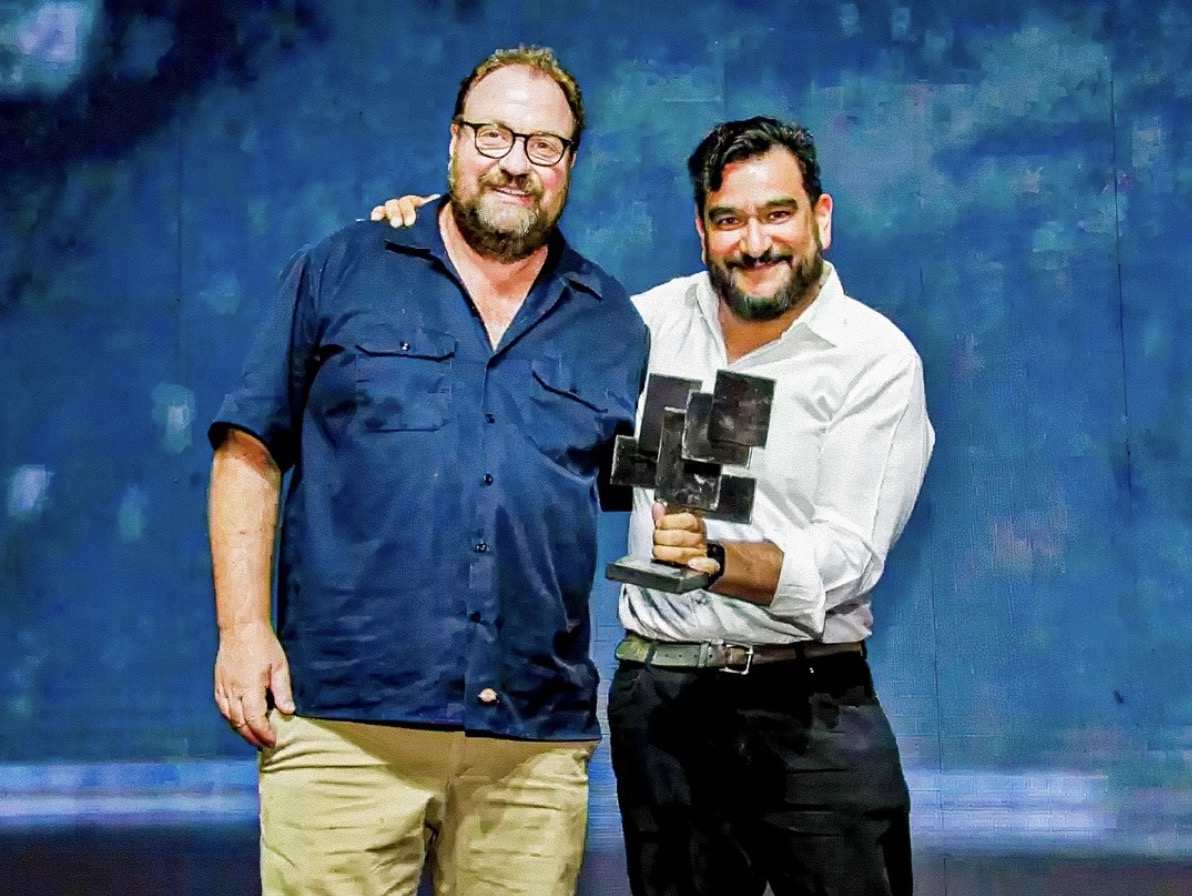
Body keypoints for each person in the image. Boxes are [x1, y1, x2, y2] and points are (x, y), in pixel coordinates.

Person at [373, 116, 933, 896]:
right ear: (702, 232)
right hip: (663, 705)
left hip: (811, 707)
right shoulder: (643, 324)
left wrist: (717, 563)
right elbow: (511, 339)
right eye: (728, 220)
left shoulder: (875, 359)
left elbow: (847, 558)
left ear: (822, 217)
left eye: (778, 214)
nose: (755, 241)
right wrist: (442, 237)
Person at [207, 45, 649, 896]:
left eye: (543, 145)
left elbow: (640, 499)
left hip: (531, 745)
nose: (515, 162)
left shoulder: (613, 323)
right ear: (452, 142)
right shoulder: (343, 270)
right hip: (341, 728)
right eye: (493, 135)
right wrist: (242, 631)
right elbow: (248, 450)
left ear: (570, 164)